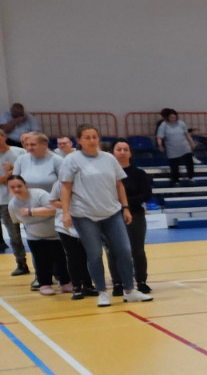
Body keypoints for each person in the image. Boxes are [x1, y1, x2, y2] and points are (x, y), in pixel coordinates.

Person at [59, 126, 149, 307]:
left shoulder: (109, 158)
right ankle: (102, 292)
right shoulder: (71, 160)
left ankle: (129, 290)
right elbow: (66, 187)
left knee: (124, 250)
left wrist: (125, 208)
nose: (92, 140)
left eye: (94, 137)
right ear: (79, 140)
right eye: (87, 137)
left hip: (112, 213)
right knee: (94, 254)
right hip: (84, 215)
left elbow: (119, 185)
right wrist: (66, 213)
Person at [7, 174, 66, 294]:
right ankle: (44, 284)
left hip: (56, 234)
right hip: (34, 237)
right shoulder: (12, 205)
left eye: (19, 186)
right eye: (12, 187)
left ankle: (66, 283)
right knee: (41, 261)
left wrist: (32, 212)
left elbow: (54, 209)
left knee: (61, 259)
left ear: (25, 185)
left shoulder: (40, 194)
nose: (16, 189)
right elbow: (18, 221)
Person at [111, 140, 153, 297]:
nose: (122, 152)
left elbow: (146, 194)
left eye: (125, 149)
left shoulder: (139, 173)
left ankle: (141, 281)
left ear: (130, 153)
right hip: (112, 216)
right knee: (113, 251)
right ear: (113, 152)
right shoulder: (108, 173)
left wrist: (125, 203)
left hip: (135, 215)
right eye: (119, 149)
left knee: (137, 250)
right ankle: (117, 283)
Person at [0, 133, 25, 277]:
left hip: (24, 198)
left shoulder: (19, 152)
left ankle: (48, 264)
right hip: (4, 201)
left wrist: (14, 169)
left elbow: (28, 171)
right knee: (14, 235)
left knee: (35, 232)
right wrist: (8, 176)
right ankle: (21, 263)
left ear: (4, 137)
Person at [155, 108, 196, 186]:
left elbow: (187, 134)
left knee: (189, 162)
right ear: (168, 117)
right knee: (174, 165)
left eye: (174, 117)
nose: (173, 119)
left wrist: (192, 142)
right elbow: (159, 137)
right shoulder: (163, 125)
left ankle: (191, 176)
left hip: (184, 146)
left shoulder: (181, 123)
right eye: (171, 117)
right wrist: (160, 145)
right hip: (172, 148)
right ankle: (175, 180)